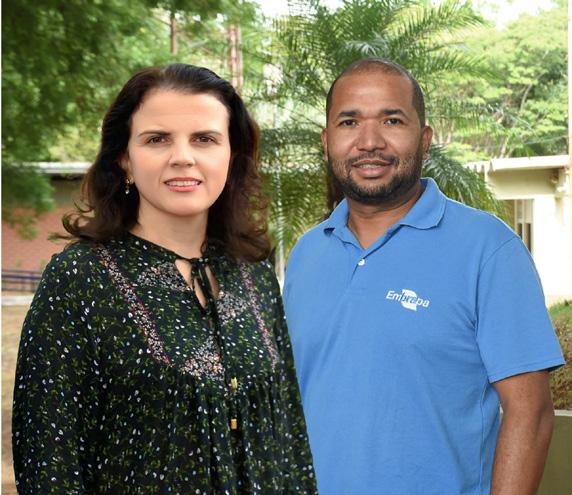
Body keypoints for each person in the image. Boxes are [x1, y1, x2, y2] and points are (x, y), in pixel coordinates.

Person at [13, 63, 317, 494]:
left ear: (231, 157)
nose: (183, 157)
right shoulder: (79, 279)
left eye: (204, 139)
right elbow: (49, 462)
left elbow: (291, 439)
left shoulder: (254, 273)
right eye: (157, 139)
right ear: (124, 158)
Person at [283, 57, 565, 495]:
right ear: (327, 140)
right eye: (349, 122)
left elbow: (531, 414)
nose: (369, 141)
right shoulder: (306, 254)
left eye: (392, 120)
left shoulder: (489, 250)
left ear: (425, 139)